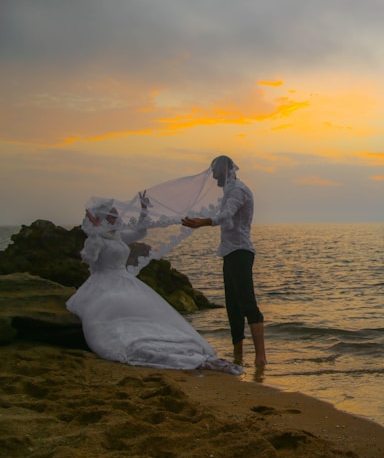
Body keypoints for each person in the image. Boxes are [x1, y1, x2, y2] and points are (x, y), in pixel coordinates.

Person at [66, 193, 242, 374]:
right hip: (103, 282)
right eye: (112, 215)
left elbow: (140, 232)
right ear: (103, 217)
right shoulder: (97, 238)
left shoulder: (117, 235)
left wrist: (144, 210)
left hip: (124, 280)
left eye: (116, 214)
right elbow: (89, 259)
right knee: (116, 311)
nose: (116, 217)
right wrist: (95, 234)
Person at [182, 156, 267, 367]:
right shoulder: (229, 191)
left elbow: (226, 215)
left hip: (241, 252)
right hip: (230, 253)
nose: (212, 174)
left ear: (226, 169)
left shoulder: (238, 190)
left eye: (215, 170)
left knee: (247, 303)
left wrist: (202, 222)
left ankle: (261, 357)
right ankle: (238, 357)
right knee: (232, 306)